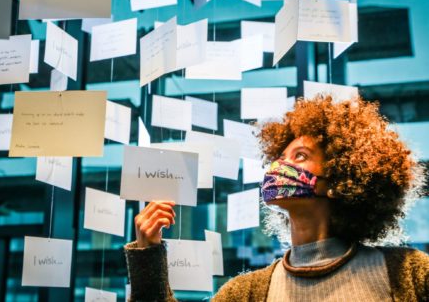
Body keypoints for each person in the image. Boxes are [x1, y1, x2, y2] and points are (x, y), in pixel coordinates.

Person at [123, 96, 429, 301]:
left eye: (300, 156)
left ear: (339, 179)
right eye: (279, 157)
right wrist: (147, 251)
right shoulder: (250, 292)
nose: (279, 167)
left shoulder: (409, 274)